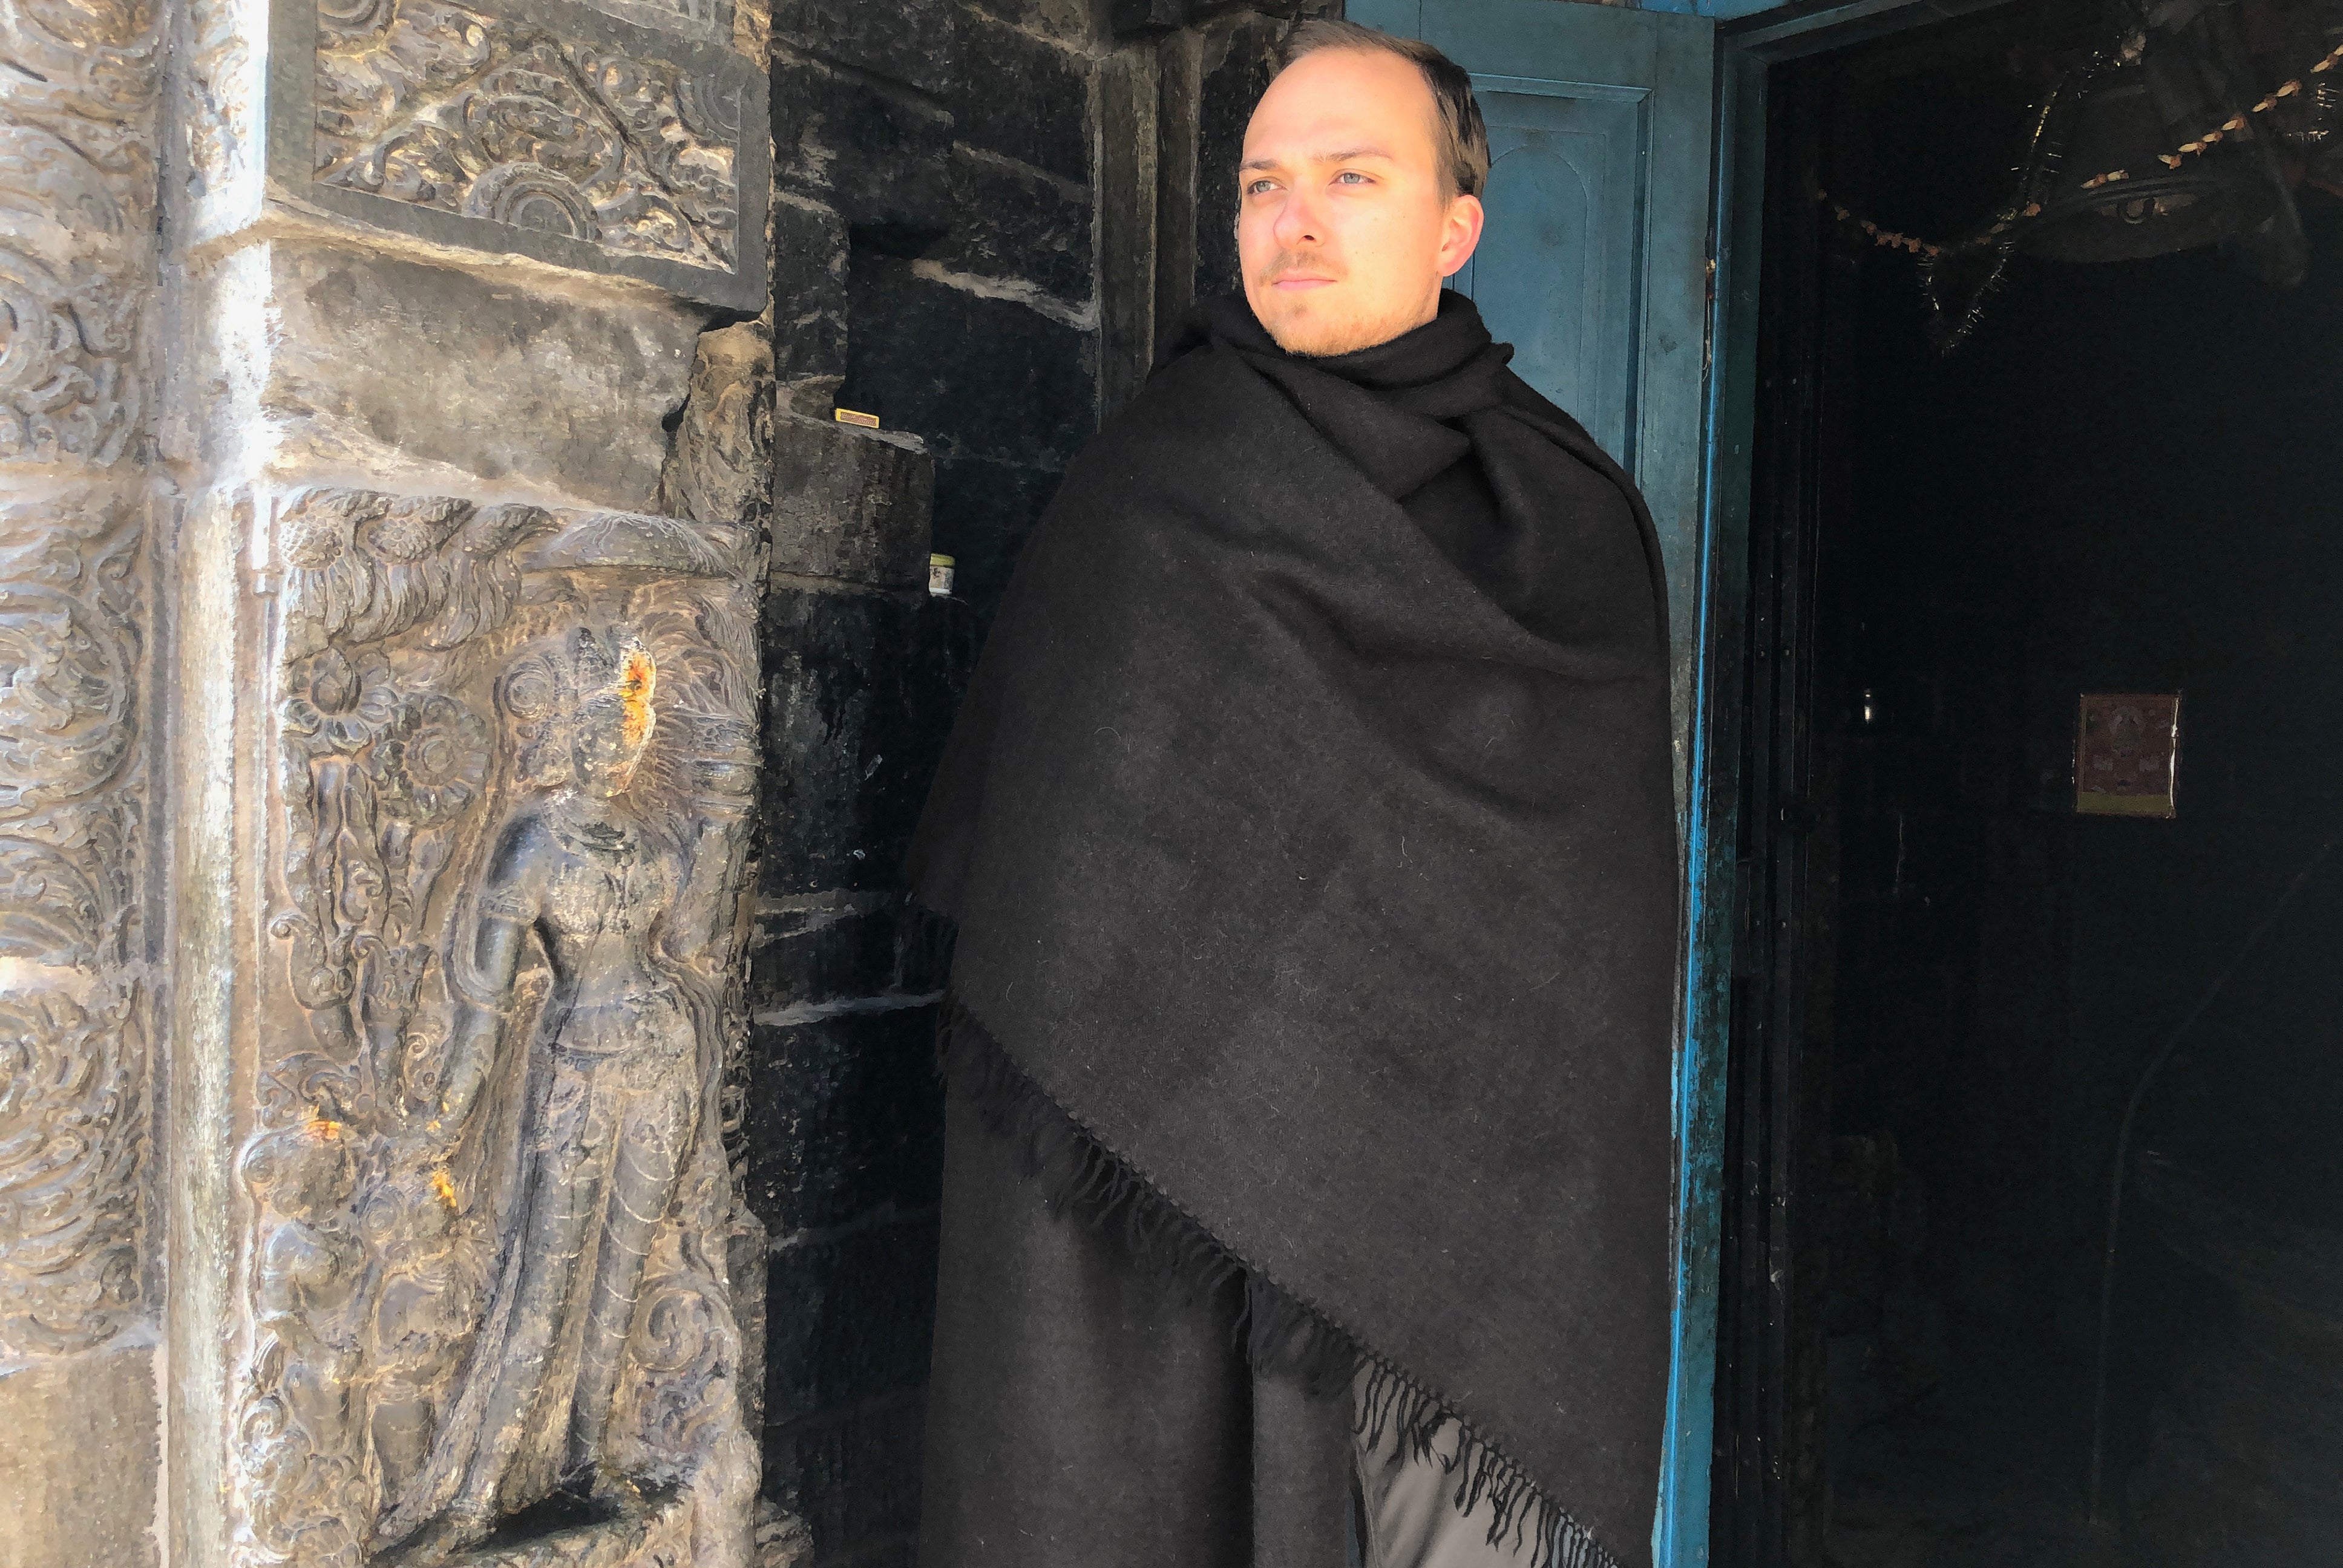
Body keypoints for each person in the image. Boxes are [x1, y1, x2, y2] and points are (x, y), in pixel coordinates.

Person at [908, 21, 1679, 1568]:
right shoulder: (1154, 489)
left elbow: (1586, 942)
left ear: (1454, 227)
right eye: (1262, 183)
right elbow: (1057, 919)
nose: (1294, 218)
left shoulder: (1569, 520)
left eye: (1349, 175)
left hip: (1472, 1246)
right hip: (1173, 1237)